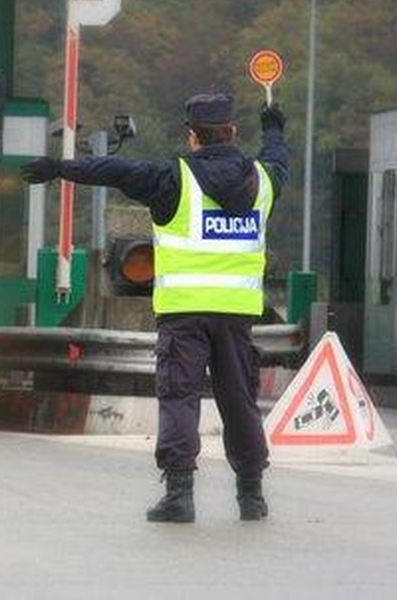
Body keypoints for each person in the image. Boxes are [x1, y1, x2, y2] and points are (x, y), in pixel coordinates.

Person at [21, 94, 289, 523]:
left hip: (184, 315)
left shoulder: (173, 178)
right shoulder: (263, 180)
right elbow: (279, 160)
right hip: (238, 314)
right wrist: (274, 128)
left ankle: (180, 496)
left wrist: (59, 168)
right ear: (233, 132)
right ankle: (252, 496)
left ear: (192, 136)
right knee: (239, 399)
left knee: (180, 397)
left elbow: (116, 170)